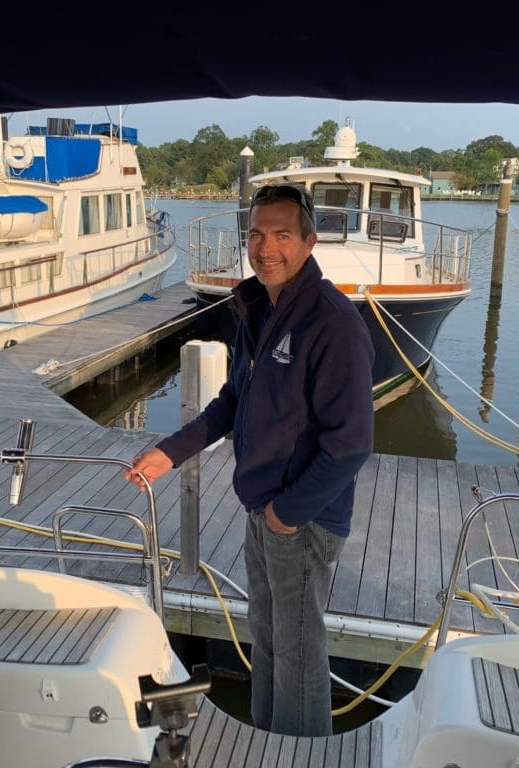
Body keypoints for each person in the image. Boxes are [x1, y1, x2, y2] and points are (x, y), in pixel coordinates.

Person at [124, 184, 374, 737]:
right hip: (261, 509)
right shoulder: (260, 308)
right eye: (257, 234)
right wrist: (170, 452)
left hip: (300, 520)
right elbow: (233, 400)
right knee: (266, 636)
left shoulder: (332, 323)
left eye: (282, 235)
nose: (266, 248)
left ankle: (298, 751)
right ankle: (267, 736)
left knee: (300, 651)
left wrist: (288, 514)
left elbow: (350, 442)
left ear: (309, 242)